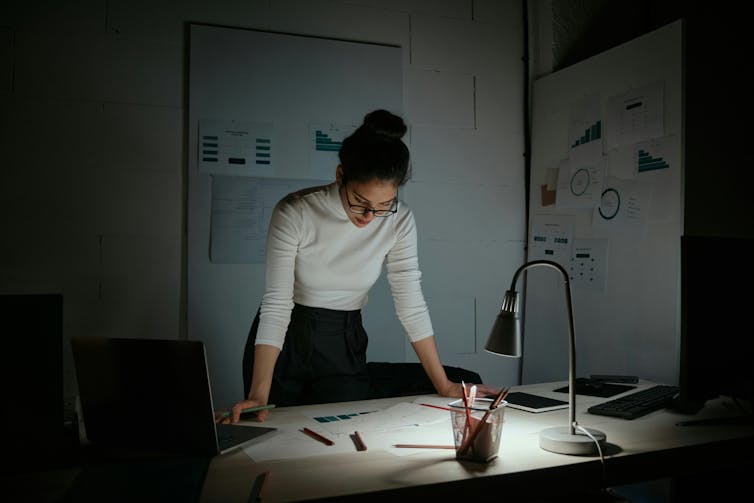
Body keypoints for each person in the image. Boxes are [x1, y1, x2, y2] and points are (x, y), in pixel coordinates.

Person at [227, 109, 495, 423]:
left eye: (383, 205)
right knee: (273, 431)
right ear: (341, 176)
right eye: (360, 201)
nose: (369, 217)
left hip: (344, 337)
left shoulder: (400, 220)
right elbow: (277, 303)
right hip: (286, 338)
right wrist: (259, 393)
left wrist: (443, 384)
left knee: (341, 433)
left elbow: (410, 304)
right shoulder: (296, 211)